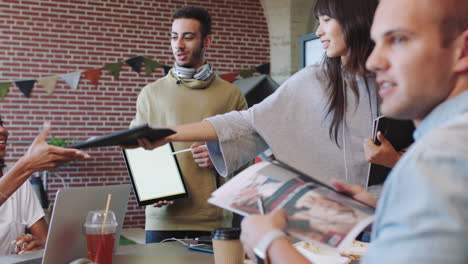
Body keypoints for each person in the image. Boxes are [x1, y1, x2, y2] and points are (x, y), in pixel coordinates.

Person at [240, 0, 468, 263]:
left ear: (461, 51)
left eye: (398, 40)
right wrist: (380, 210)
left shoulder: (440, 157)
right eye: (376, 42)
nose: (373, 61)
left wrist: (269, 241)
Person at [135, 0, 380, 191]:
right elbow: (249, 122)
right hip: (329, 219)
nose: (318, 31)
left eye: (326, 20)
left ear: (355, 21)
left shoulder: (392, 83)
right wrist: (168, 134)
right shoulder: (311, 80)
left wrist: (393, 161)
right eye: (174, 36)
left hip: (385, 219)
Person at [130, 6, 248, 243]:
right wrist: (151, 189)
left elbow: (247, 152)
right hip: (162, 217)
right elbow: (138, 150)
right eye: (174, 36)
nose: (179, 45)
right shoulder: (150, 94)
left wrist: (220, 155)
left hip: (214, 218)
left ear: (208, 41)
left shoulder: (231, 95)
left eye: (188, 37)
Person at [0, 118, 90, 255]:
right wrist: (26, 166)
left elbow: (44, 241)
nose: (2, 130)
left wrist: (34, 244)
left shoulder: (21, 181)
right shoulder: (20, 173)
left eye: (1, 123)